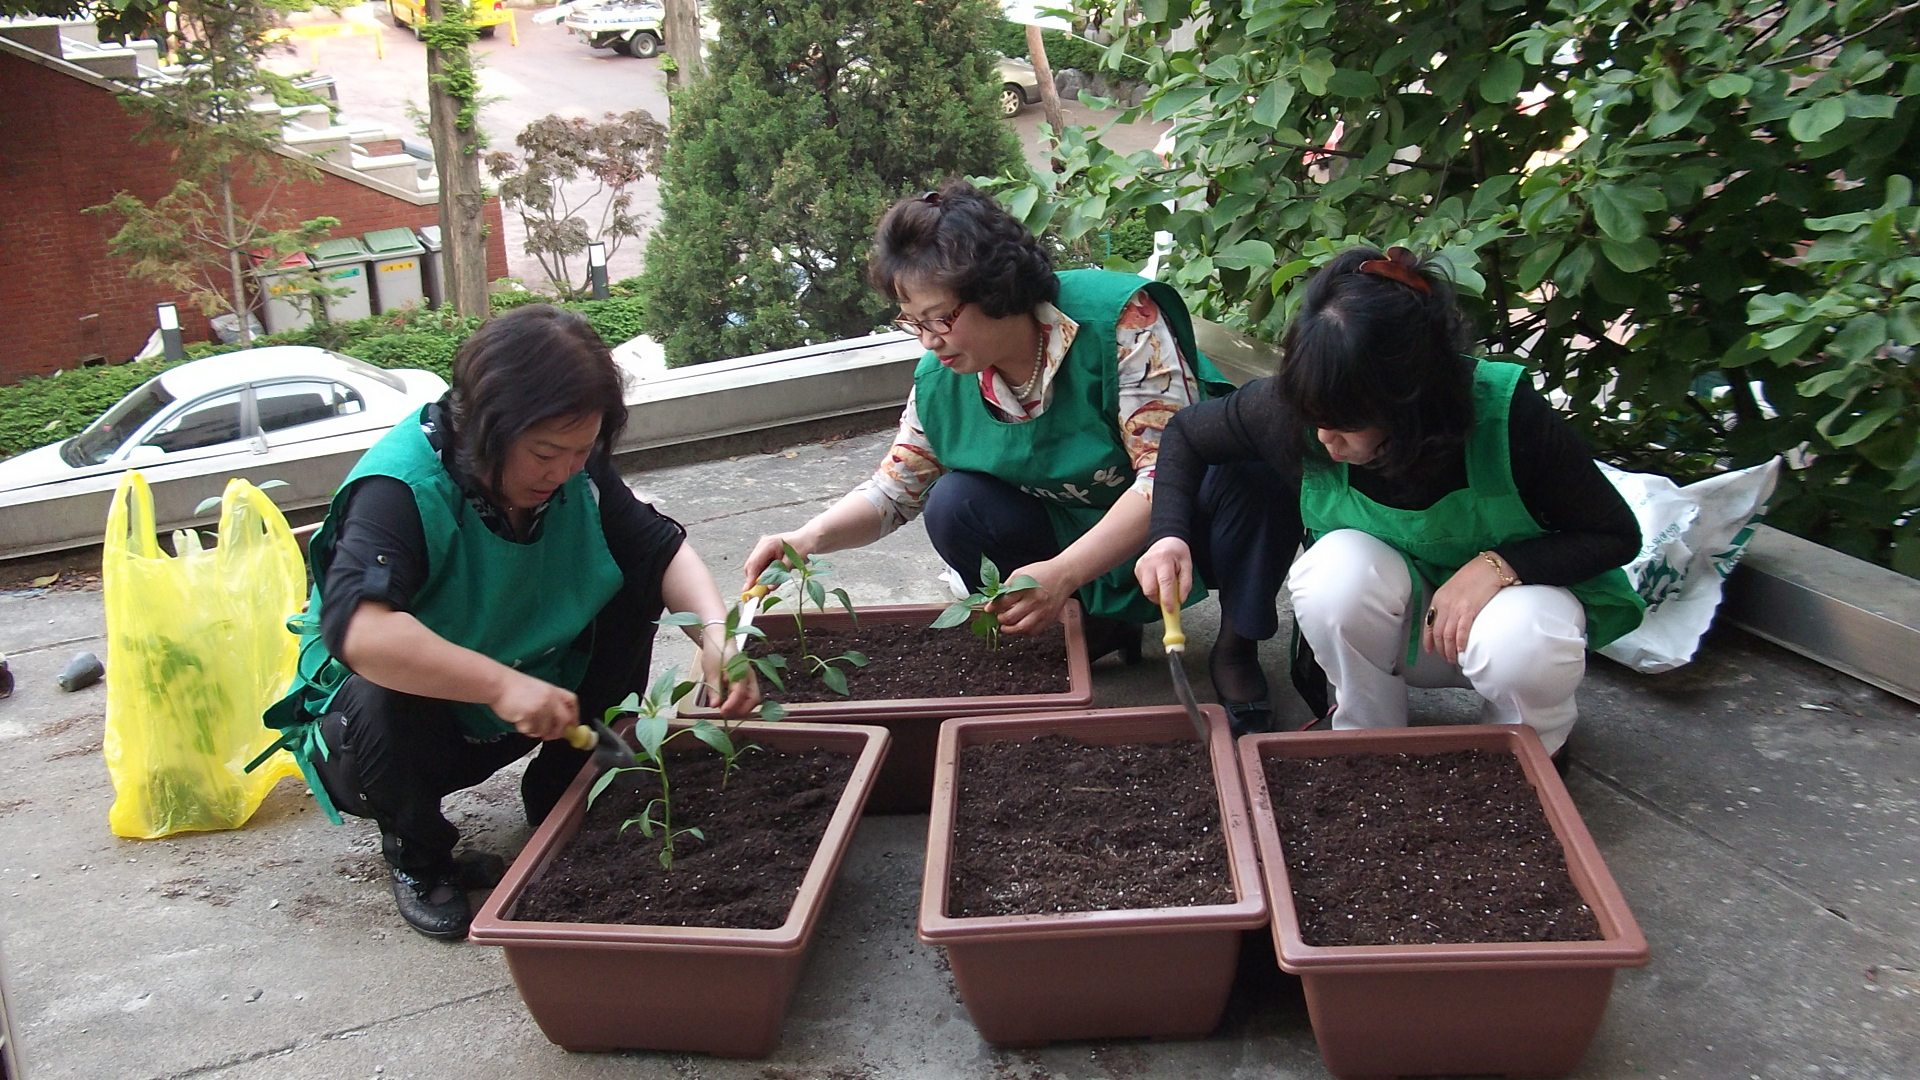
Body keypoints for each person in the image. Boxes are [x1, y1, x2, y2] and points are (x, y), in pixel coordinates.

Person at [256, 304, 758, 940]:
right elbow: (360, 631)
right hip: (428, 722)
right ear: (486, 429)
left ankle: (566, 784)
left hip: (541, 690)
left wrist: (719, 636)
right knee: (377, 691)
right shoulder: (400, 487)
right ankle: (419, 856)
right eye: (545, 453)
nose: (564, 471)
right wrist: (499, 686)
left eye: (583, 451)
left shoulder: (573, 468)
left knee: (634, 583)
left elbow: (655, 548)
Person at [741, 180, 1295, 713]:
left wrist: (1063, 572)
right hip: (1073, 521)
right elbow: (896, 488)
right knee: (954, 504)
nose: (929, 341)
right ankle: (1096, 622)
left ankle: (1237, 647)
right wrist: (805, 539)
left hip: (1186, 511)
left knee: (1253, 473)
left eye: (940, 319)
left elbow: (1162, 474)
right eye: (912, 322)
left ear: (997, 291)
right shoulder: (943, 376)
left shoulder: (1122, 322)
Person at [1136, 246, 1644, 757]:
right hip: (1407, 626)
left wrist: (1497, 567)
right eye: (1315, 419)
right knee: (1332, 573)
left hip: (1505, 627)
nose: (1325, 441)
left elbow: (1615, 535)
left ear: (1409, 403)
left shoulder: (1508, 419)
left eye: (1346, 425)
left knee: (1522, 639)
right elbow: (1185, 433)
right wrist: (1168, 535)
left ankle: (1526, 751)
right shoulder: (1297, 411)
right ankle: (1369, 740)